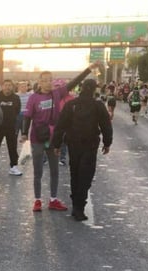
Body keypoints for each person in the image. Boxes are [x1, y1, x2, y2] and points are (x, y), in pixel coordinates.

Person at [21, 64, 96, 213]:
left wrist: (89, 69)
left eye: (50, 80)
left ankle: (53, 200)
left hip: (53, 138)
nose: (48, 82)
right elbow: (27, 116)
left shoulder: (57, 93)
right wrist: (23, 133)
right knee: (38, 171)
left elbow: (74, 82)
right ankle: (37, 200)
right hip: (37, 138)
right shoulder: (33, 98)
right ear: (39, 82)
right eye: (45, 80)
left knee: (55, 170)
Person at [50, 79, 112, 222]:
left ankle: (75, 205)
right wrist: (107, 143)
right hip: (90, 144)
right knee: (86, 175)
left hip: (73, 144)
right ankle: (79, 206)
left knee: (75, 173)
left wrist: (57, 144)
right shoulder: (98, 105)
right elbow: (106, 125)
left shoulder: (71, 105)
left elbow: (60, 125)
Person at [0, 79, 23, 176]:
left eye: (10, 85)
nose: (7, 87)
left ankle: (14, 166)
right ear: (2, 86)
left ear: (12, 87)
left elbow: (17, 111)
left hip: (11, 126)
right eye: (6, 85)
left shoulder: (16, 98)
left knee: (12, 147)